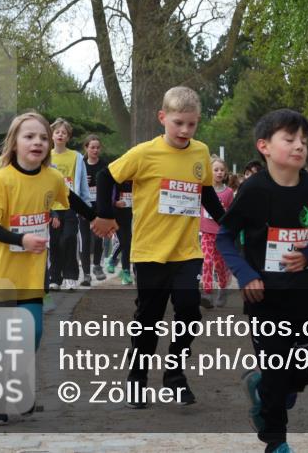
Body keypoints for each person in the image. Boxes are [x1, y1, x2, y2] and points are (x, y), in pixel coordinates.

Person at [215, 109, 308, 453]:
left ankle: (269, 387)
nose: (300, 146)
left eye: (304, 140)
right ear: (265, 147)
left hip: (307, 294)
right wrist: (247, 275)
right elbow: (224, 238)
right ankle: (276, 442)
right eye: (290, 139)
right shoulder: (254, 190)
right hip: (264, 299)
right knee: (276, 367)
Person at [93, 86, 226, 408]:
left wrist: (229, 223)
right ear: (162, 118)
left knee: (189, 311)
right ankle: (137, 379)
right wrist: (105, 215)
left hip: (186, 251)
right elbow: (105, 177)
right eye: (178, 123)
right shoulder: (144, 153)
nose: (184, 131)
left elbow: (206, 192)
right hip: (150, 252)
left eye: (191, 125)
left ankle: (175, 373)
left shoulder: (200, 153)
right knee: (149, 320)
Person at [0, 111, 95, 425]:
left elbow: (72, 199)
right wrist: (22, 238)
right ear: (14, 143)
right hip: (0, 274)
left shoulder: (52, 177)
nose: (38, 142)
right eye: (30, 136)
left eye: (43, 137)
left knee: (34, 333)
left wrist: (99, 218)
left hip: (31, 275)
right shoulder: (2, 179)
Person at [47, 118, 91, 291]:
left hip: (71, 206)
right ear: (52, 135)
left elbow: (83, 185)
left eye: (63, 132)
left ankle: (71, 276)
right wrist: (50, 212)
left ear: (68, 137)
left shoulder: (77, 157)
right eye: (57, 132)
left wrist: (85, 207)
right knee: (55, 243)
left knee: (69, 239)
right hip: (52, 207)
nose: (60, 135)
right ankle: (55, 277)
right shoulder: (46, 156)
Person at [200, 157, 234, 307]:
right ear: (210, 171)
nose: (219, 173)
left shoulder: (228, 192)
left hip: (221, 234)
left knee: (219, 265)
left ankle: (222, 288)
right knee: (207, 261)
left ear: (225, 173)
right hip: (206, 232)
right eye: (216, 170)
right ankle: (207, 293)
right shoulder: (204, 189)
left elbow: (231, 212)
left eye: (222, 170)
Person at [80, 134, 108, 283]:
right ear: (86, 148)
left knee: (97, 238)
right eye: (92, 147)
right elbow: (72, 185)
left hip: (99, 207)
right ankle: (86, 273)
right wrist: (83, 181)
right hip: (84, 206)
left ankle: (97, 265)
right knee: (85, 241)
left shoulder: (104, 165)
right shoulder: (81, 164)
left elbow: (111, 185)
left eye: (97, 147)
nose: (95, 150)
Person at [105, 178, 134, 285]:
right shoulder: (116, 182)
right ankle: (111, 259)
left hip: (130, 218)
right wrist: (116, 203)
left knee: (128, 244)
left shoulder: (135, 182)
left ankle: (125, 273)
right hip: (117, 218)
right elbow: (107, 198)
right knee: (123, 242)